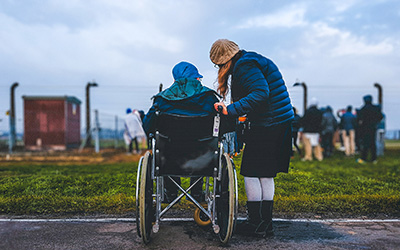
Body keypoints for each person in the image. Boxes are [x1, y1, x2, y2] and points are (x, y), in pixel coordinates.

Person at [209, 39, 294, 237]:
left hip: (269, 123)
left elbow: (260, 93)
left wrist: (230, 110)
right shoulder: (251, 60)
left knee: (251, 172)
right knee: (265, 173)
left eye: (219, 65)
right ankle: (265, 224)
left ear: (225, 61)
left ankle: (255, 222)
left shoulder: (245, 66)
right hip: (277, 122)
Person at [143, 61, 220, 202]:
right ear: (197, 79)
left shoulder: (161, 99)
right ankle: (196, 193)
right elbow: (223, 125)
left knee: (167, 148)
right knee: (202, 146)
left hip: (168, 156)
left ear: (174, 80)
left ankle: (171, 193)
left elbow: (147, 126)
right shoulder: (209, 98)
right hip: (202, 156)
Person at [356, 95, 383, 164]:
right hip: (373, 127)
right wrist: (376, 122)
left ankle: (363, 158)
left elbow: (359, 119)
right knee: (373, 143)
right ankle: (374, 159)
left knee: (365, 144)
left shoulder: (363, 108)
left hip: (365, 128)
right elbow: (381, 116)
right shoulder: (376, 108)